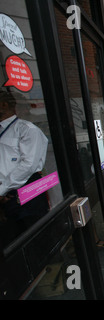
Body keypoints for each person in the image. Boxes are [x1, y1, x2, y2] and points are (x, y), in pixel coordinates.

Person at [0, 91, 49, 246]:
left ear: (4, 105)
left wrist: (2, 190)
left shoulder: (27, 130)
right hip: (4, 194)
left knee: (33, 237)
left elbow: (28, 165)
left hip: (24, 191)